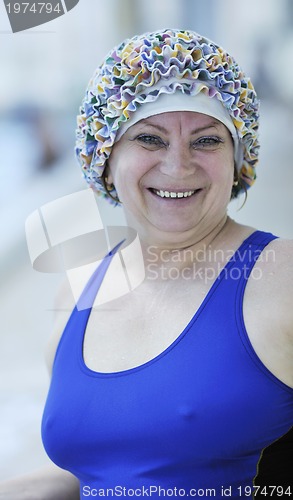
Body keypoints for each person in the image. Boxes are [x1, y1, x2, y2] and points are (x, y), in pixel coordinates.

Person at [1, 28, 292, 500]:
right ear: (105, 155)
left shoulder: (282, 278)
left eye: (207, 140)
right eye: (150, 140)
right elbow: (105, 473)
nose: (178, 166)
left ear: (238, 156)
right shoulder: (79, 291)